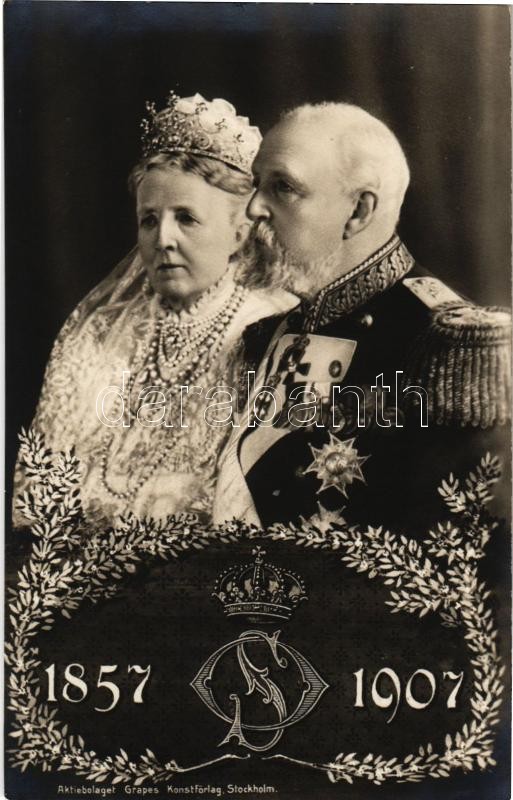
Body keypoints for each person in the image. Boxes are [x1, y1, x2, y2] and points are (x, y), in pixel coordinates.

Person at [213, 102, 511, 531]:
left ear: (359, 212)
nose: (254, 208)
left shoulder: (453, 350)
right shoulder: (265, 337)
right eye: (257, 184)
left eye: (283, 187)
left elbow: (460, 549)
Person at [14, 92, 296, 527]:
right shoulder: (101, 332)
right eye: (149, 219)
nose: (162, 239)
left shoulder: (271, 332)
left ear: (239, 234)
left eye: (186, 218)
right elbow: (39, 492)